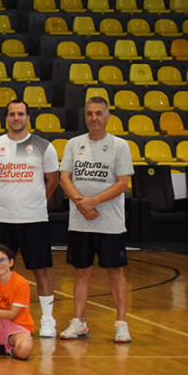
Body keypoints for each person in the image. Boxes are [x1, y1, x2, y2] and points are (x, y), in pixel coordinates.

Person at [58, 97, 134, 343]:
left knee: (115, 272)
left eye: (99, 113)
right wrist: (82, 203)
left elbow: (122, 183)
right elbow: (64, 178)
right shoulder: (73, 144)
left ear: (108, 116)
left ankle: (121, 323)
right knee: (81, 272)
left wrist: (93, 202)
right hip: (80, 222)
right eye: (90, 113)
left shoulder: (120, 146)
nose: (94, 118)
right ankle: (78, 322)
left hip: (110, 223)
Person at [0, 100, 60, 338]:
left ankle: (47, 319)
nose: (16, 118)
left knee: (40, 269)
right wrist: (8, 199)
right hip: (3, 219)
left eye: (21, 114)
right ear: (6, 118)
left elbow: (53, 180)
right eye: (12, 114)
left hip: (34, 219)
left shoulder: (44, 146)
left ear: (28, 117)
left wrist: (35, 202)